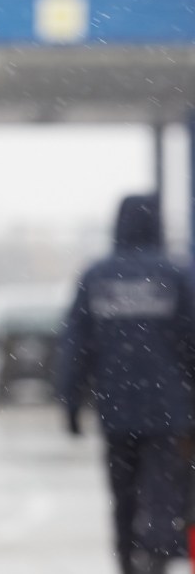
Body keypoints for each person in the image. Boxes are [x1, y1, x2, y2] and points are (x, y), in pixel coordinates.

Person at [57, 193, 195, 574]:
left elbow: (75, 344)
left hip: (115, 411)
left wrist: (70, 402)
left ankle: (126, 561)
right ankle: (156, 558)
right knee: (164, 495)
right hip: (170, 412)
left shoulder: (97, 276)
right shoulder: (176, 275)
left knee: (124, 496)